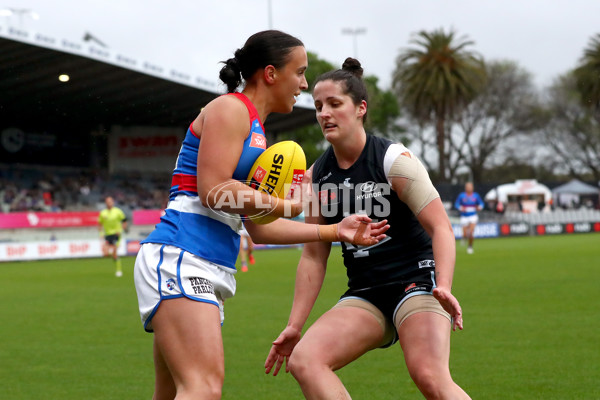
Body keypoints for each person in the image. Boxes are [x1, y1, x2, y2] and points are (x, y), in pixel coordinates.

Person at [133, 32, 389, 400]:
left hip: (202, 261)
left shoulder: (257, 133)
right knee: (203, 389)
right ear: (270, 73)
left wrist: (335, 232)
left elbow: (260, 230)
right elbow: (213, 190)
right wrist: (289, 205)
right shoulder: (231, 109)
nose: (303, 83)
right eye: (299, 72)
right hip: (182, 255)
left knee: (175, 392)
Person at [264, 58, 470, 400]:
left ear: (360, 108)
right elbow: (314, 257)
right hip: (366, 293)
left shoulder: (394, 161)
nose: (324, 114)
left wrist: (444, 285)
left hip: (417, 283)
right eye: (317, 106)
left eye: (334, 104)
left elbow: (441, 229)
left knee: (430, 377)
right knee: (305, 360)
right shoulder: (316, 177)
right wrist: (294, 325)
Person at [98, 195, 127, 277]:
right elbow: (100, 224)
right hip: (107, 235)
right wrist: (101, 234)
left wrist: (121, 230)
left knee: (114, 252)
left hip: (116, 234)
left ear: (113, 202)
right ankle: (115, 258)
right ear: (105, 203)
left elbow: (124, 221)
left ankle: (118, 270)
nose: (109, 203)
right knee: (106, 254)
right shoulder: (103, 213)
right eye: (107, 202)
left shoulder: (118, 211)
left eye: (110, 202)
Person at [454, 182, 484, 254]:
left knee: (471, 232)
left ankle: (470, 247)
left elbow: (481, 203)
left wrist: (479, 207)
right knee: (464, 234)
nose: (469, 188)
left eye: (470, 187)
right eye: (468, 187)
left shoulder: (476, 196)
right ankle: (464, 238)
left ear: (472, 188)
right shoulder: (461, 196)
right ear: (465, 188)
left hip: (473, 216)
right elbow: (456, 204)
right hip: (464, 216)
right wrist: (461, 208)